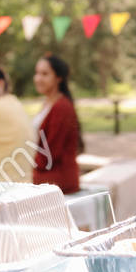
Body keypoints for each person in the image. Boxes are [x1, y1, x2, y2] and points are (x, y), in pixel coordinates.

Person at [32, 54, 84, 193]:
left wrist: (28, 167)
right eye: (37, 73)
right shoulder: (47, 103)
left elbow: (51, 152)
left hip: (58, 178)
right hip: (45, 171)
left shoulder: (62, 107)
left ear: (58, 78)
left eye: (44, 74)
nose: (38, 78)